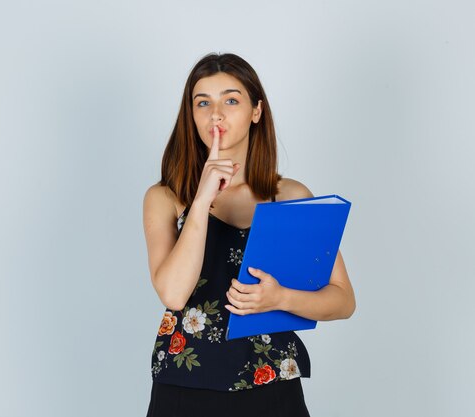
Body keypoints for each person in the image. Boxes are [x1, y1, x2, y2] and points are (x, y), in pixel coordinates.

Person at [142, 52, 356, 417]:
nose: (216, 114)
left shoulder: (290, 196)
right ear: (190, 114)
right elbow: (174, 294)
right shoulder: (166, 197)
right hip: (185, 385)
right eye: (203, 102)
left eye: (231, 99)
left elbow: (342, 300)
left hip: (271, 384)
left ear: (256, 111)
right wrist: (202, 198)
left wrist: (280, 298)